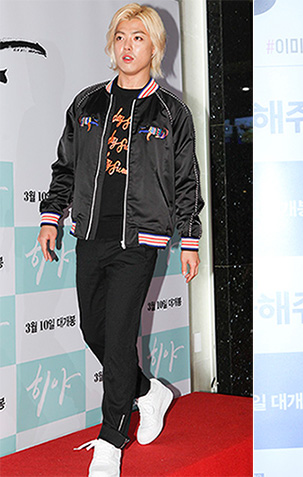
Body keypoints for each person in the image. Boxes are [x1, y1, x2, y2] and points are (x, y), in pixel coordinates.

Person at [37, 3, 203, 476]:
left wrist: (189, 239)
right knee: (95, 331)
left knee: (118, 340)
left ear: (155, 47)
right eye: (121, 36)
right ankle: (149, 392)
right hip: (90, 234)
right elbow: (65, 167)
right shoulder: (87, 104)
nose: (128, 46)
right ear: (112, 44)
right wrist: (51, 216)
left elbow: (186, 182)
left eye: (139, 37)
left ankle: (111, 440)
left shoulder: (172, 112)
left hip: (140, 240)